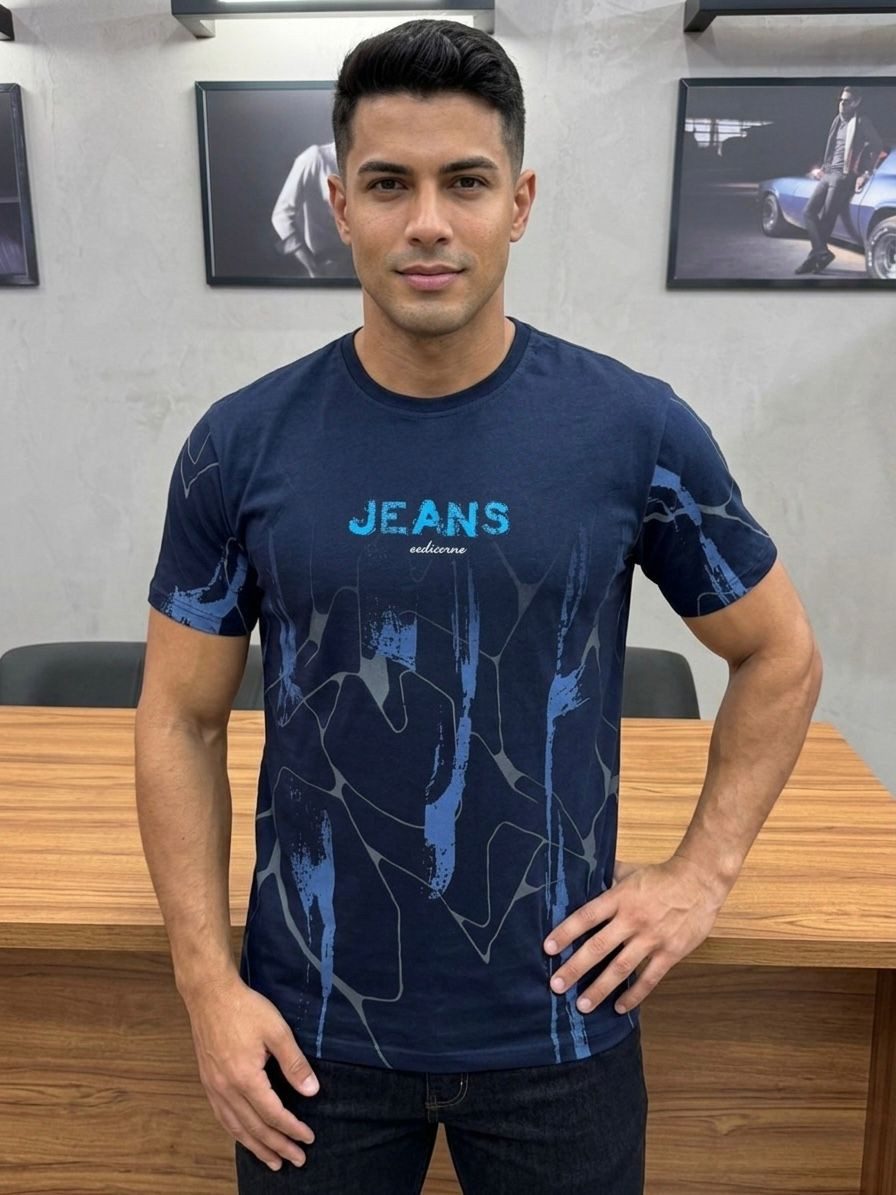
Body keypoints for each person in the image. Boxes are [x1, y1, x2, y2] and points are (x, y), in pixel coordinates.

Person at [135, 18, 823, 1195]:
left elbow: (778, 654)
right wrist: (206, 986)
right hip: (309, 1033)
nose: (427, 223)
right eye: (386, 185)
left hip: (559, 1021)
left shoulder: (632, 430)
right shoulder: (239, 444)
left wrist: (698, 876)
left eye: (464, 181)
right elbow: (178, 719)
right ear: (339, 204)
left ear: (519, 201)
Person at [795, 84, 884, 275]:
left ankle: (814, 260)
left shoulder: (862, 121)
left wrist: (865, 173)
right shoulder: (837, 120)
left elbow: (878, 145)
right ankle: (821, 252)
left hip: (843, 176)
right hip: (828, 173)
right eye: (841, 100)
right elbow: (832, 148)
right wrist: (823, 167)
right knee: (808, 212)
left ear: (857, 102)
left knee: (827, 218)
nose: (842, 104)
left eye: (847, 101)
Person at [270, 139, 355, 277]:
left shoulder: (369, 160)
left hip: (357, 268)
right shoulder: (315, 158)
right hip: (325, 267)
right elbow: (281, 215)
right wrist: (311, 267)